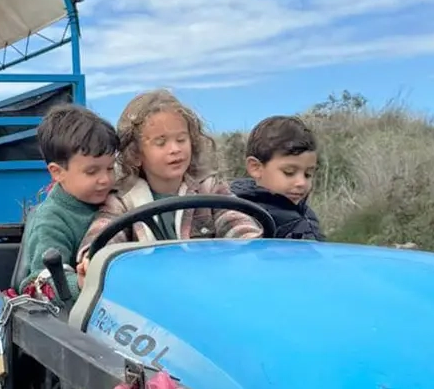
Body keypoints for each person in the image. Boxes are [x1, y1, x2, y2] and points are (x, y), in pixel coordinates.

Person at [77, 89, 263, 272]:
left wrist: (250, 245)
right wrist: (93, 259)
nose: (175, 149)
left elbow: (236, 222)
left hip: (207, 285)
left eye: (181, 139)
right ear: (135, 154)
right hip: (150, 295)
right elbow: (102, 238)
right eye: (161, 142)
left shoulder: (210, 189)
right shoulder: (122, 201)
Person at [16, 103, 119, 299]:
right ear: (57, 172)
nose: (105, 179)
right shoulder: (51, 219)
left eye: (110, 168)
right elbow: (42, 280)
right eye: (92, 171)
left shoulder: (119, 202)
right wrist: (78, 283)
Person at [230, 115, 325, 240]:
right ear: (256, 167)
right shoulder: (242, 216)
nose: (301, 182)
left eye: (308, 174)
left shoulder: (305, 212)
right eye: (289, 172)